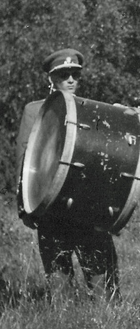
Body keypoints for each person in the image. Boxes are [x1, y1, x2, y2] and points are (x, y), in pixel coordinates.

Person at [16, 48, 119, 297]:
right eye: (64, 75)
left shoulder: (90, 109)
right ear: (51, 79)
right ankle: (61, 323)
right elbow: (24, 159)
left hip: (86, 205)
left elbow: (104, 159)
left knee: (98, 272)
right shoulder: (35, 110)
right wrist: (23, 203)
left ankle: (106, 324)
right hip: (50, 204)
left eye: (75, 74)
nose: (71, 79)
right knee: (58, 275)